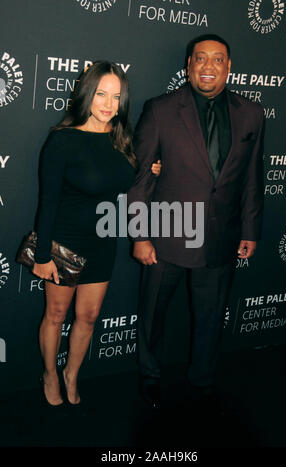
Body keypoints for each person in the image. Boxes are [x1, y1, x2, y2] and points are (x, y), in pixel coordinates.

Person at [127, 34, 265, 409]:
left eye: (217, 59)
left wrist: (251, 229)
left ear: (228, 67)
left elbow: (253, 176)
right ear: (188, 65)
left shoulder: (251, 113)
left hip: (222, 237)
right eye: (200, 59)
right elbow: (140, 178)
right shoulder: (159, 109)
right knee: (152, 314)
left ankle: (202, 377)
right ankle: (150, 374)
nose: (208, 66)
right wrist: (139, 235)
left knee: (210, 316)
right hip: (166, 235)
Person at [32, 61, 161, 407]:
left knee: (87, 318)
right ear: (86, 94)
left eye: (116, 97)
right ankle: (49, 373)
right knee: (56, 316)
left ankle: (72, 373)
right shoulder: (62, 140)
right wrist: (43, 255)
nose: (108, 104)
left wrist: (149, 170)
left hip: (104, 242)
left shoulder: (122, 141)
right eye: (101, 94)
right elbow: (48, 202)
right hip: (64, 243)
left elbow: (129, 184)